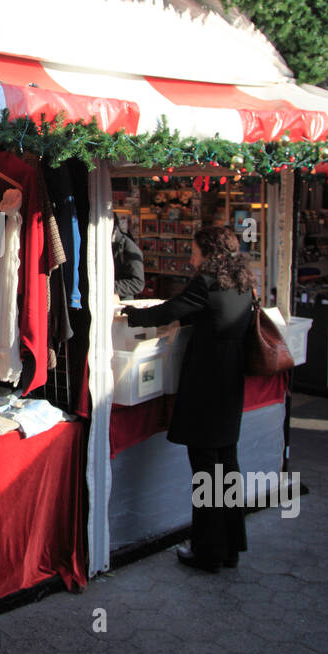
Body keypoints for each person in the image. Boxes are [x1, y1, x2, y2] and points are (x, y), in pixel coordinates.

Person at [121, 225, 254, 572]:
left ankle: (207, 551)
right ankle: (229, 546)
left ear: (208, 253)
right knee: (226, 466)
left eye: (194, 251)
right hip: (230, 383)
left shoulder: (206, 283)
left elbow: (169, 311)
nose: (191, 257)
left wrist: (130, 314)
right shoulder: (241, 284)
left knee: (206, 470)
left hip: (207, 383)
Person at [112, 221, 145, 299]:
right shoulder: (104, 243)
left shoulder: (128, 247)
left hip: (121, 300)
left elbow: (138, 283)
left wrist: (109, 288)